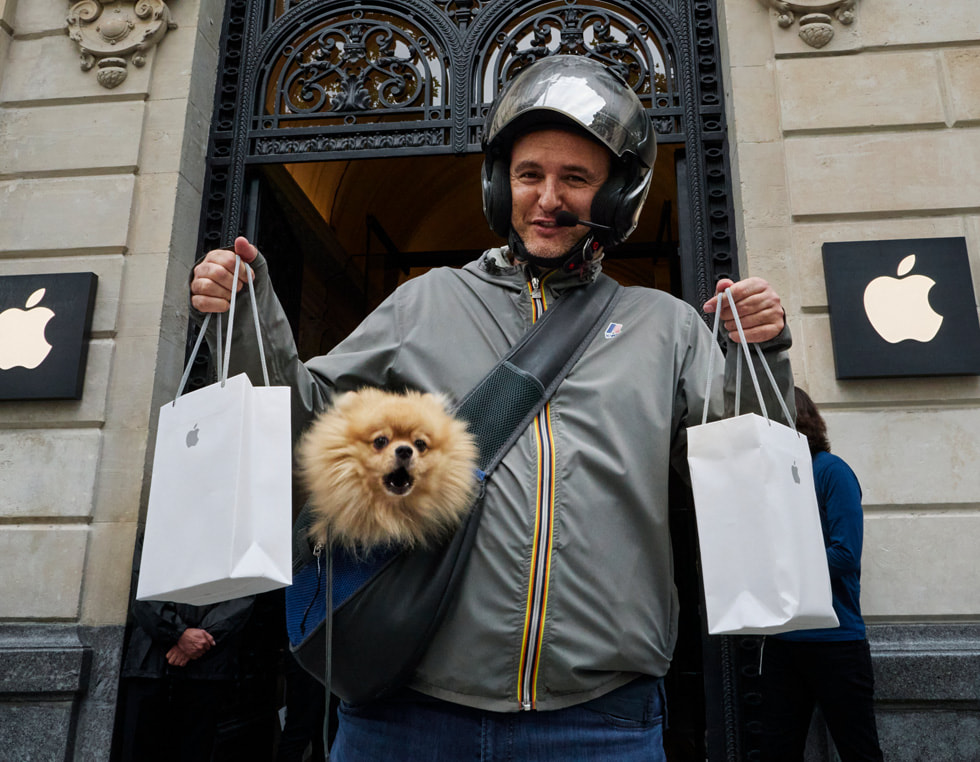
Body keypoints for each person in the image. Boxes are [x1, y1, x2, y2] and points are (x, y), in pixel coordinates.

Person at [189, 55, 794, 761]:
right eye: (529, 175)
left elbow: (743, 469)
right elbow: (306, 420)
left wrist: (765, 351)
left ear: (617, 195)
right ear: (499, 184)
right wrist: (248, 317)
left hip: (602, 722)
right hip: (407, 714)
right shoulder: (426, 298)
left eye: (576, 179)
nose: (547, 198)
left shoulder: (667, 326)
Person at [759, 387, 884, 762]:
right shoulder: (770, 480)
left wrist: (781, 568)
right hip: (783, 643)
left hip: (836, 644)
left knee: (859, 751)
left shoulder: (832, 471)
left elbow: (845, 554)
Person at [119, 540, 255, 762]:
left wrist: (196, 639)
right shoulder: (158, 526)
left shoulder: (235, 533)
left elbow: (245, 592)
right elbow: (144, 586)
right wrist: (178, 634)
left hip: (205, 667)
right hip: (152, 662)